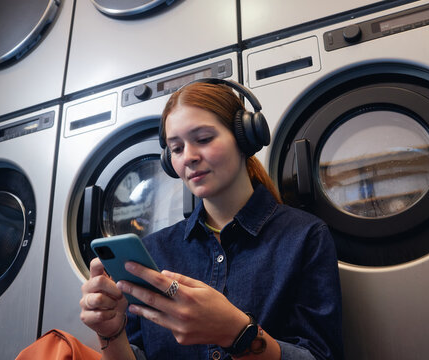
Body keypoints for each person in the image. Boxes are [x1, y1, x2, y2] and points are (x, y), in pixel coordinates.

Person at [79, 79, 344, 360]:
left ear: (245, 138)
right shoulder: (154, 251)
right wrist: (110, 334)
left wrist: (237, 333)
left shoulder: (305, 236)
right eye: (177, 148)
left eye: (203, 139)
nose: (189, 157)